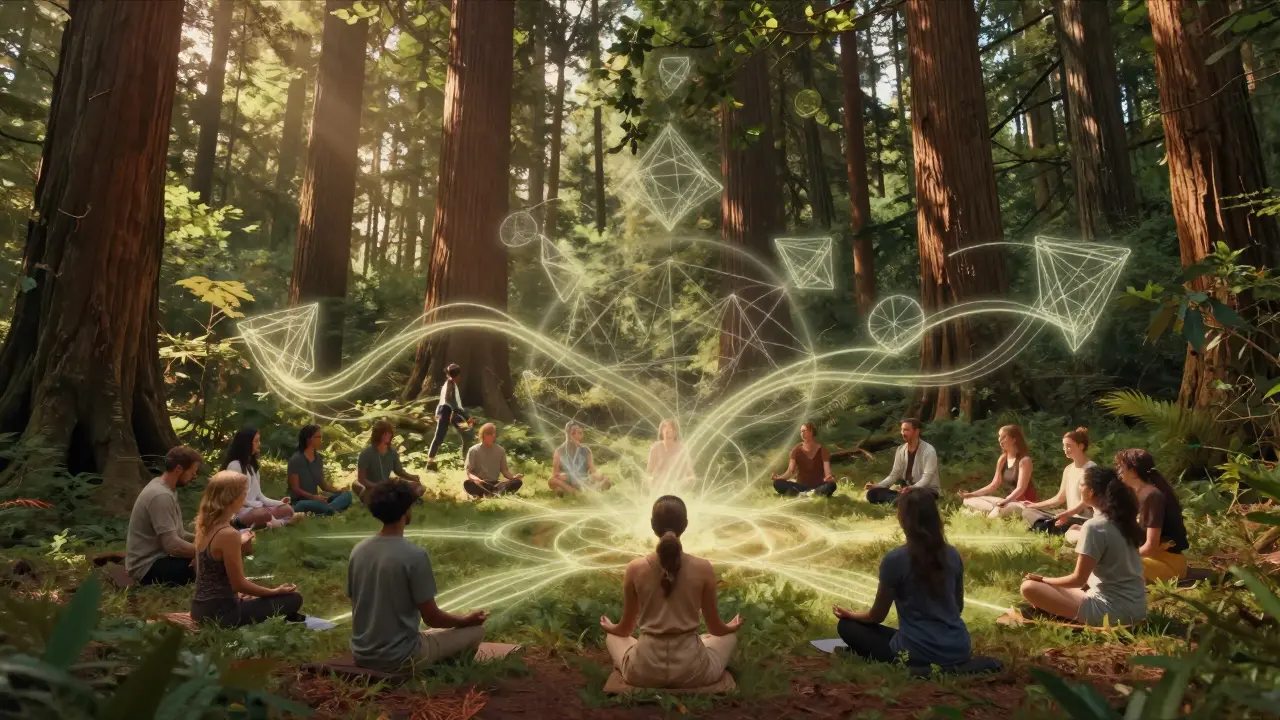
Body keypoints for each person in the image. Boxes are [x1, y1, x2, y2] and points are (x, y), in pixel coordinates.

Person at [600, 495, 743, 688]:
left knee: (614, 637)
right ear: (685, 525)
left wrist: (610, 628)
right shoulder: (704, 568)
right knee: (726, 637)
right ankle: (699, 644)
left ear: (653, 525)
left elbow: (625, 630)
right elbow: (716, 629)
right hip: (693, 671)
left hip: (643, 670)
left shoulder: (635, 568)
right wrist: (731, 627)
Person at [348, 480, 488, 672]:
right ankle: (452, 670)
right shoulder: (414, 555)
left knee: (436, 633)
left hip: (362, 654)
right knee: (476, 631)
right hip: (402, 657)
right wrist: (465, 620)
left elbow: (358, 604)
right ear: (406, 511)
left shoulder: (358, 550)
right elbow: (432, 618)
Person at [832, 490, 971, 667]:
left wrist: (850, 615)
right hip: (959, 648)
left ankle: (914, 660)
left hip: (918, 652)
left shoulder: (895, 559)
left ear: (902, 519)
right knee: (895, 634)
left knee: (847, 627)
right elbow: (958, 607)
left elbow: (877, 616)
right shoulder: (952, 554)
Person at [1019, 466, 1147, 626]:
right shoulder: (1124, 521)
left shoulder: (1094, 527)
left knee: (1029, 587)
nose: (1079, 488)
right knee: (1059, 590)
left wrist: (1044, 580)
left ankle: (1058, 614)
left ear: (1091, 492)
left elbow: (1078, 580)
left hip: (1111, 612)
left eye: (1081, 485)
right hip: (1137, 609)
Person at [191, 471, 305, 627]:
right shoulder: (228, 534)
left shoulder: (206, 526)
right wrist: (274, 592)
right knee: (294, 599)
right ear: (233, 498)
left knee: (257, 598)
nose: (245, 500)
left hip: (199, 610)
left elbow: (208, 574)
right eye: (244, 494)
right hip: (221, 614)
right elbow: (239, 584)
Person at [126, 446, 202, 586]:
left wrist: (205, 541)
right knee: (212, 565)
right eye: (192, 472)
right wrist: (204, 553)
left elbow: (179, 534)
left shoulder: (167, 489)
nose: (194, 476)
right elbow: (171, 545)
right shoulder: (161, 496)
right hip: (147, 568)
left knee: (210, 561)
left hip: (159, 559)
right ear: (178, 469)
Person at [1115, 449, 1190, 583]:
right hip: (1149, 559)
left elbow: (1151, 547)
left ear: (1133, 471)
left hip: (1166, 563)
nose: (1118, 471)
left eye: (1121, 467)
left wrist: (1123, 556)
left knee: (1115, 567)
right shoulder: (1134, 494)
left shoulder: (1153, 496)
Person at [1022, 428, 1095, 534]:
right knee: (1028, 511)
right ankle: (1045, 526)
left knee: (1061, 521)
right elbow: (1059, 498)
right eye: (1064, 446)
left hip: (1083, 519)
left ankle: (1044, 527)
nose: (1065, 449)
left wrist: (1067, 514)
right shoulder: (1068, 469)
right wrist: (1033, 505)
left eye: (1068, 446)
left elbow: (1087, 501)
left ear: (1081, 446)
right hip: (1069, 515)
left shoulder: (1091, 469)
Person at [222, 428, 298, 529]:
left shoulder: (253, 468)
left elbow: (260, 496)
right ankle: (280, 524)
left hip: (256, 508)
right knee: (263, 514)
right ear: (246, 444)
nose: (259, 443)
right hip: (239, 512)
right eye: (256, 441)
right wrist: (259, 506)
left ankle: (267, 525)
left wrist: (280, 503)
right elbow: (235, 499)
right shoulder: (234, 466)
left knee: (287, 509)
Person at [960, 425, 1037, 518]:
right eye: (999, 436)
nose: (1000, 440)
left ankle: (984, 514)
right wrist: (972, 494)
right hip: (1007, 501)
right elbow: (994, 485)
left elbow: (1020, 488)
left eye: (1004, 436)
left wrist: (1005, 501)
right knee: (968, 500)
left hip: (1022, 504)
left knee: (999, 510)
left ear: (1014, 439)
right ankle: (990, 512)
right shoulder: (1003, 459)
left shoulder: (1024, 461)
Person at [865, 419, 939, 505]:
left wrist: (912, 488)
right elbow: (894, 474)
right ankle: (901, 500)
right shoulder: (901, 449)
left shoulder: (928, 450)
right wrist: (879, 485)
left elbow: (927, 478)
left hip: (925, 490)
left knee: (915, 497)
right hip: (906, 490)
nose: (903, 433)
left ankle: (901, 500)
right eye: (902, 430)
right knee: (872, 493)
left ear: (916, 432)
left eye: (906, 430)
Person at [287, 425, 354, 515]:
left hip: (317, 500)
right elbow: (295, 489)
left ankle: (328, 509)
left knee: (347, 495)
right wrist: (313, 497)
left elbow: (323, 486)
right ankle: (330, 509)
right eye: (318, 437)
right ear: (308, 439)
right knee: (301, 505)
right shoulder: (295, 460)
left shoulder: (318, 459)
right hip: (301, 501)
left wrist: (339, 491)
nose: (321, 440)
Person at [426, 363, 477, 471]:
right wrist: (466, 417)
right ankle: (430, 463)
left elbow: (454, 404)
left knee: (467, 432)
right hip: (446, 413)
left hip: (452, 414)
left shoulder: (451, 383)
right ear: (457, 375)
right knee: (439, 436)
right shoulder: (450, 383)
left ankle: (466, 461)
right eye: (459, 375)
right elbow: (448, 400)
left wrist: (466, 417)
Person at [357, 419, 425, 500]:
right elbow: (361, 479)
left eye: (388, 433)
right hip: (372, 489)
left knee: (419, 488)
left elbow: (399, 471)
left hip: (387, 486)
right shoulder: (366, 453)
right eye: (384, 433)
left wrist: (412, 477)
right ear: (377, 434)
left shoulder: (392, 452)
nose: (387, 435)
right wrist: (376, 486)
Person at [771, 422, 837, 497]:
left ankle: (807, 493)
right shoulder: (796, 450)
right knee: (777, 483)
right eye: (801, 432)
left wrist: (829, 478)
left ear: (811, 431)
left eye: (804, 431)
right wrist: (778, 478)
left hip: (818, 486)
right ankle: (807, 494)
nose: (802, 433)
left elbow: (828, 473)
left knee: (831, 485)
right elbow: (790, 472)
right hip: (800, 486)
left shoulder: (822, 450)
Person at [463, 423, 525, 497]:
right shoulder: (473, 450)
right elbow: (469, 472)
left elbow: (504, 470)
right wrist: (477, 479)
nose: (493, 435)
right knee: (467, 484)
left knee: (517, 482)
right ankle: (494, 493)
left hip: (495, 484)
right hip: (481, 483)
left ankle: (493, 493)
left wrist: (513, 478)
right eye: (489, 433)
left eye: (493, 433)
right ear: (483, 435)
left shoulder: (500, 450)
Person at [551, 422, 612, 493]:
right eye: (579, 433)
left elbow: (593, 471)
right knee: (552, 481)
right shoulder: (559, 451)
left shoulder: (586, 451)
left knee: (606, 481)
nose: (581, 436)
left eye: (581, 433)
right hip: (568, 480)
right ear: (569, 434)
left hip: (583, 479)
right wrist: (569, 477)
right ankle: (578, 492)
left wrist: (601, 477)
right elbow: (555, 474)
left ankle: (576, 491)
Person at [647, 419, 693, 488]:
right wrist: (660, 465)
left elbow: (688, 468)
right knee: (649, 480)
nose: (670, 434)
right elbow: (650, 469)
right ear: (662, 432)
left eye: (672, 431)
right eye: (667, 431)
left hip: (677, 482)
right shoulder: (655, 447)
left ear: (676, 432)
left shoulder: (681, 447)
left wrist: (690, 478)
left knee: (688, 480)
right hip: (659, 482)